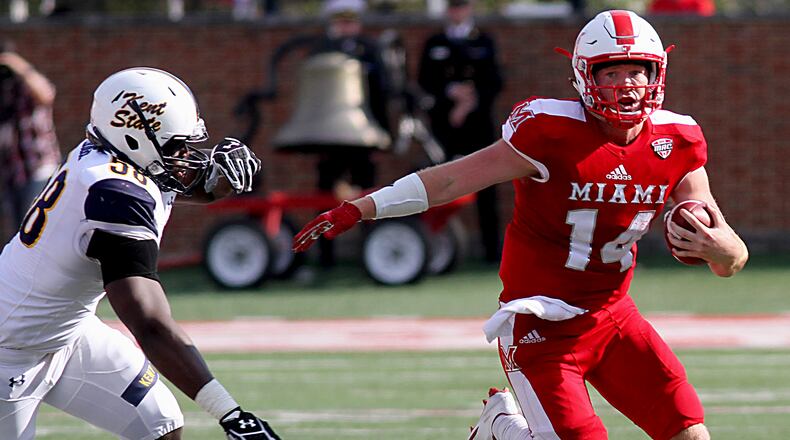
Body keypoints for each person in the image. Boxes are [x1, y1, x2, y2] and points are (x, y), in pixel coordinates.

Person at [293, 10, 748, 440]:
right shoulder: (548, 129)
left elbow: (727, 253)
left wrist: (722, 249)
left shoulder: (679, 139)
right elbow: (451, 177)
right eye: (611, 72)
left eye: (637, 71)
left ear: (657, 74)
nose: (626, 85)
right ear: (584, 77)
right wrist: (361, 207)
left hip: (613, 317)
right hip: (540, 322)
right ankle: (505, 429)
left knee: (689, 430)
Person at [0, 67, 280, 440]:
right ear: (134, 137)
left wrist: (216, 180)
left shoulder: (111, 155)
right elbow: (149, 323)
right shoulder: (114, 195)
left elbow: (178, 182)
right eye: (175, 145)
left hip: (67, 333)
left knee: (159, 425)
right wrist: (230, 414)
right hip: (8, 351)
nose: (185, 156)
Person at [417, 0, 503, 262]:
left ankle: (492, 251)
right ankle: (438, 248)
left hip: (477, 125)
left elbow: (495, 81)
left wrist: (469, 101)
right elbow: (424, 81)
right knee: (439, 181)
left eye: (461, 6)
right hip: (445, 126)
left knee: (487, 186)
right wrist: (449, 95)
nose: (457, 11)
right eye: (453, 6)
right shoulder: (434, 42)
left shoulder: (483, 40)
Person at [311, 0, 391, 267]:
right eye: (341, 21)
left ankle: (371, 256)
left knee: (369, 196)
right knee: (325, 196)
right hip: (329, 138)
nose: (346, 27)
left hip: (363, 137)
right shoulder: (321, 50)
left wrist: (383, 134)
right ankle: (325, 256)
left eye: (350, 21)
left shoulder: (370, 49)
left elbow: (382, 95)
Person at [0, 48, 61, 241]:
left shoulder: (27, 89)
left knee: (34, 229)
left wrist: (15, 63)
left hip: (38, 169)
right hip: (11, 174)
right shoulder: (3, 94)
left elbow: (46, 94)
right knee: (18, 235)